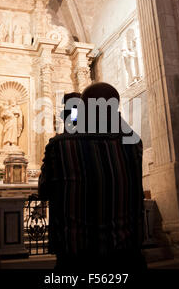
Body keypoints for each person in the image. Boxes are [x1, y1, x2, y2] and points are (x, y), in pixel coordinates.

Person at [38, 82, 146, 271]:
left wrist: (73, 123)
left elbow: (44, 190)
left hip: (77, 258)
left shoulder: (60, 147)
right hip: (126, 256)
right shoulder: (133, 145)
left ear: (83, 109)